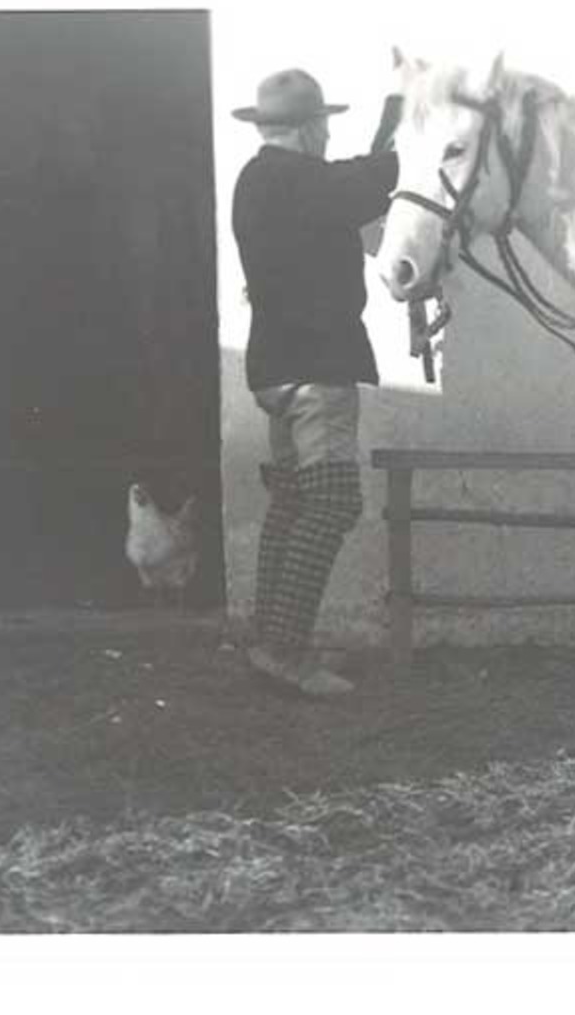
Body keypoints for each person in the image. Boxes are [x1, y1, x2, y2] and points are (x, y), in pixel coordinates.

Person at [230, 68, 401, 697]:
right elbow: (368, 182)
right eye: (324, 124)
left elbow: (346, 184)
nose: (329, 134)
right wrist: (402, 143)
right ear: (307, 129)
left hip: (275, 366)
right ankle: (285, 650)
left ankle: (270, 638)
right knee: (331, 503)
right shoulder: (298, 179)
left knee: (295, 502)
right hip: (315, 369)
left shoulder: (258, 179)